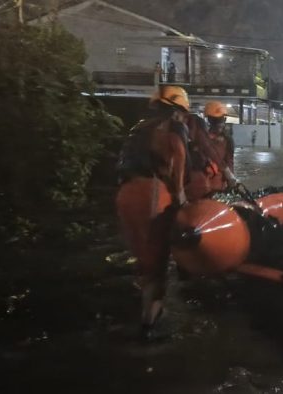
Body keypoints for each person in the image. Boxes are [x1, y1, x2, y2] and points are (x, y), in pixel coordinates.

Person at [115, 85, 191, 339]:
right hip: (152, 193)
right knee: (157, 260)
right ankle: (149, 323)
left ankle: (144, 306)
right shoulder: (174, 127)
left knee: (141, 257)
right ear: (178, 110)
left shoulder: (138, 127)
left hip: (125, 193)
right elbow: (178, 157)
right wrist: (180, 194)